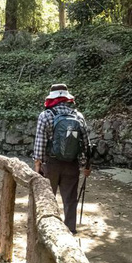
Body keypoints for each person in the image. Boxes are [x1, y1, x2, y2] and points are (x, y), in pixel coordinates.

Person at [33, 84, 91, 234]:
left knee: (46, 197)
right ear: (67, 97)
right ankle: (70, 230)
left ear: (51, 98)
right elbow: (85, 143)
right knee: (70, 199)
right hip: (71, 164)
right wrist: (85, 165)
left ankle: (46, 229)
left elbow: (40, 142)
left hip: (51, 164)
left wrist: (37, 165)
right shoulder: (78, 116)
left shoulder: (45, 115)